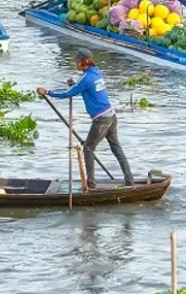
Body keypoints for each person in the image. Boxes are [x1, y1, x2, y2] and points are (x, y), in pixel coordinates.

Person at [38, 49, 135, 189]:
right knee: (116, 148)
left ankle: (91, 185)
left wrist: (47, 92)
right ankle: (129, 181)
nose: (75, 65)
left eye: (77, 62)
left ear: (84, 62)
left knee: (88, 148)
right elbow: (84, 87)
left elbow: (68, 94)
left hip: (101, 120)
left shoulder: (86, 78)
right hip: (111, 116)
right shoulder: (96, 72)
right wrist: (75, 85)